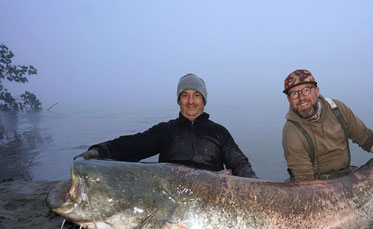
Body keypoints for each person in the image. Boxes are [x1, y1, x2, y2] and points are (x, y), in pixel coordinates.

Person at [76, 73, 257, 178]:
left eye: (196, 95)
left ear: (204, 100)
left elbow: (239, 163)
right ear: (179, 100)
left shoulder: (219, 132)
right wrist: (100, 151)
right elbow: (133, 145)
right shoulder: (166, 130)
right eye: (185, 95)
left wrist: (254, 185)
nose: (191, 101)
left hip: (210, 196)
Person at [281, 69, 373, 181]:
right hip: (316, 185)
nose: (301, 98)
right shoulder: (291, 132)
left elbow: (366, 139)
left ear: (317, 91)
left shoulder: (337, 109)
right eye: (294, 94)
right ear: (289, 99)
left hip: (346, 176)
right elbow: (305, 180)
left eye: (306, 90)